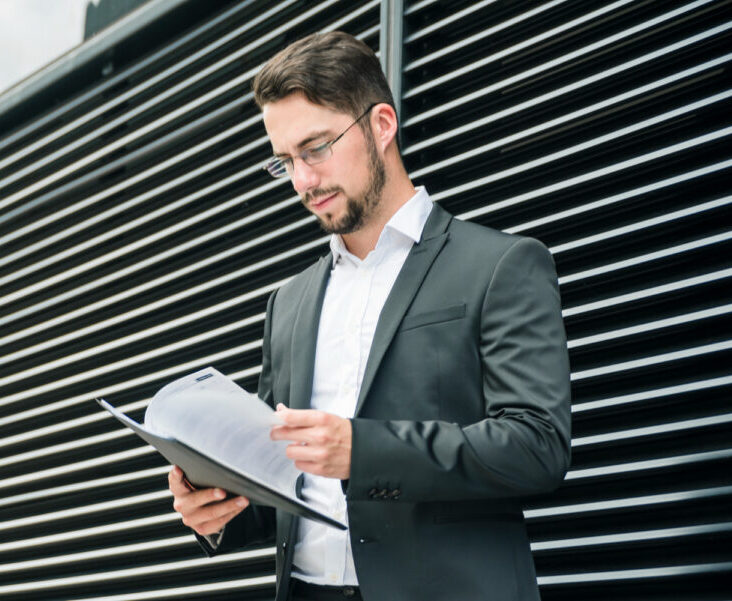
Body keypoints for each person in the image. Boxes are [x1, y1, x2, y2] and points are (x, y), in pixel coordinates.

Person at [168, 31, 571, 601]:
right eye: (285, 162)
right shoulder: (289, 302)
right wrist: (216, 506)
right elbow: (280, 484)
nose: (303, 181)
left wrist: (364, 450)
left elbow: (537, 447)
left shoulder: (501, 265)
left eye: (316, 148)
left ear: (382, 124)